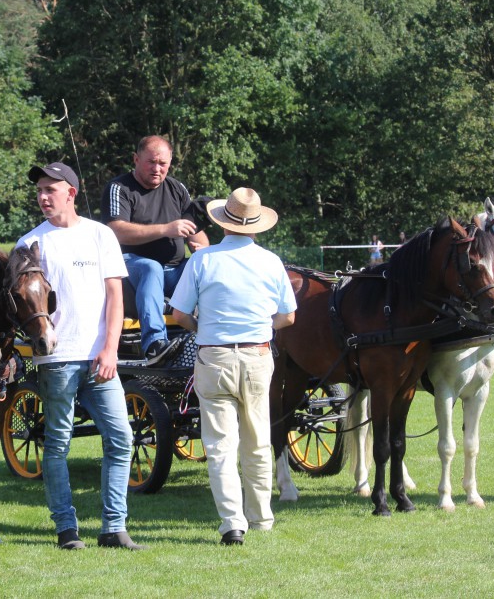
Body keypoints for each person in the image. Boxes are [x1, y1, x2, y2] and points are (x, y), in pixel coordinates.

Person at [18, 161, 144, 550]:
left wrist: (110, 348)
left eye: (49, 190)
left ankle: (113, 528)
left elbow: (115, 297)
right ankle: (66, 530)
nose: (42, 197)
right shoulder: (29, 244)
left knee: (121, 439)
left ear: (70, 193)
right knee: (57, 445)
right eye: (39, 190)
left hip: (99, 359)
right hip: (56, 360)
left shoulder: (101, 235)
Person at [169, 187, 296, 544]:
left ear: (222, 221)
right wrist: (262, 326)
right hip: (257, 355)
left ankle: (232, 523)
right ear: (256, 224)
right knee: (257, 440)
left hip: (215, 356)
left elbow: (179, 314)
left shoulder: (203, 260)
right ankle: (262, 518)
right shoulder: (271, 262)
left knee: (221, 446)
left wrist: (203, 327)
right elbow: (288, 316)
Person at [101, 135, 209, 363]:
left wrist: (202, 250)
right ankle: (154, 345)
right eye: (151, 162)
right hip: (130, 270)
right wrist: (165, 229)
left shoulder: (177, 188)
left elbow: (194, 233)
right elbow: (115, 230)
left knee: (207, 265)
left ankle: (213, 335)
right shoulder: (119, 188)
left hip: (174, 272)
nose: (157, 169)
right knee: (151, 268)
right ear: (136, 159)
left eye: (163, 164)